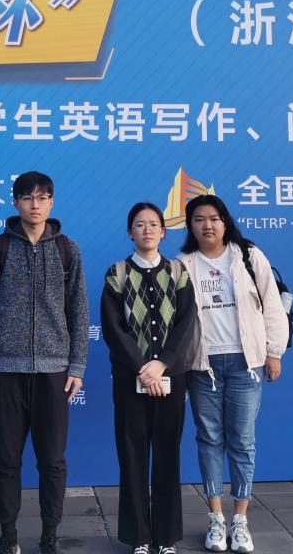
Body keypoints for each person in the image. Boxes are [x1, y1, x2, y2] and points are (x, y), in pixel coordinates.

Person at [0, 171, 89, 554]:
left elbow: (79, 310)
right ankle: (8, 537)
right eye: (27, 197)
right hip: (6, 371)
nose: (34, 205)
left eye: (42, 198)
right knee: (7, 460)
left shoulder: (68, 249)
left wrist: (76, 366)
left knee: (52, 462)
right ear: (15, 202)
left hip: (54, 372)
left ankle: (49, 537)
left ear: (52, 202)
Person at [177, 195, 288, 554]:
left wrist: (273, 352)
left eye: (214, 218)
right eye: (198, 219)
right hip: (202, 366)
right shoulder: (182, 264)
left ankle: (240, 520)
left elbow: (272, 304)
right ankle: (216, 518)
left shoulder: (248, 257)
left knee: (242, 441)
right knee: (209, 439)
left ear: (225, 221)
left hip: (246, 363)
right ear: (190, 225)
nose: (207, 225)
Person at [101, 202, 200, 554]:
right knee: (132, 457)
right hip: (129, 380)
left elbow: (186, 323)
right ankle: (139, 538)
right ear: (130, 232)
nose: (147, 230)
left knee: (168, 456)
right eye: (140, 225)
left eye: (153, 224)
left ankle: (166, 538)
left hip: (172, 379)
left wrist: (163, 364)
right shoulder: (117, 274)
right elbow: (113, 329)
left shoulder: (178, 272)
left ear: (163, 231)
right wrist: (144, 367)